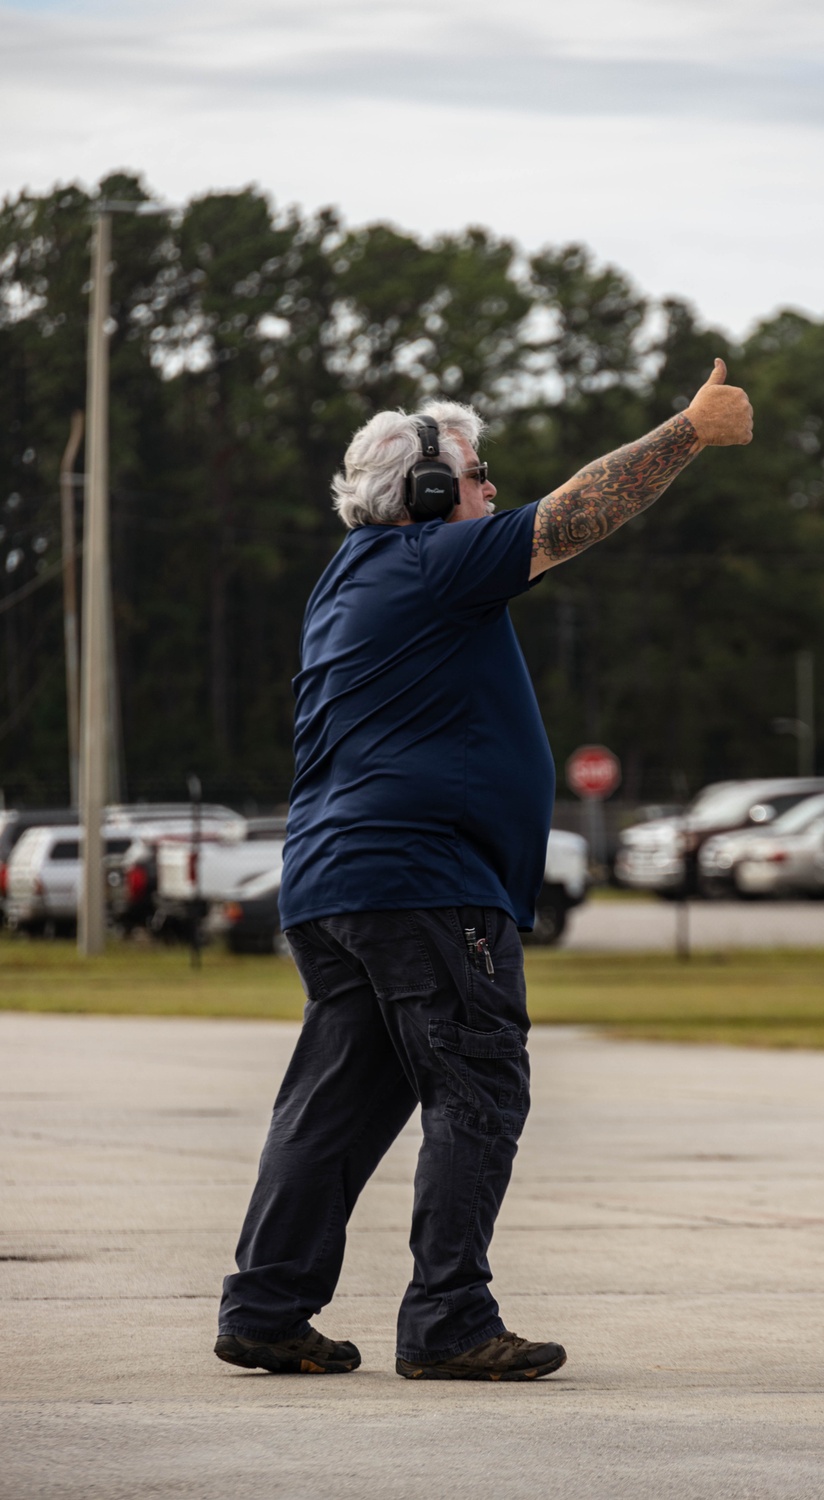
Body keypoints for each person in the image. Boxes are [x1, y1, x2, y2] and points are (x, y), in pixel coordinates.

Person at [215, 360, 752, 1382]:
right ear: (423, 494)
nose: (491, 488)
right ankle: (451, 1321)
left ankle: (267, 1306)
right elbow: (574, 515)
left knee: (334, 1106)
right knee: (478, 1083)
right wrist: (688, 430)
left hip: (338, 885)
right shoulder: (431, 560)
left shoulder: (354, 575)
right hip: (425, 883)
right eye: (476, 472)